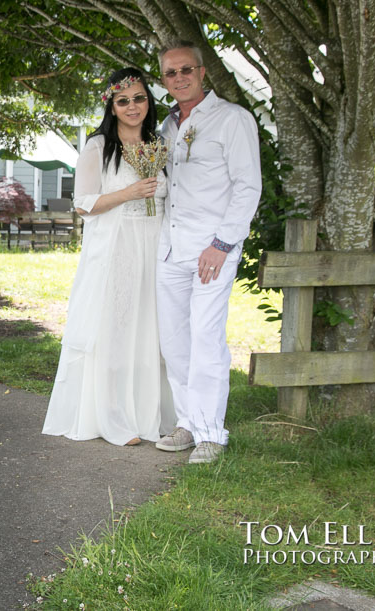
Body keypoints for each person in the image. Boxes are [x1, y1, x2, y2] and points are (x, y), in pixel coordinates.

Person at [43, 68, 176, 446]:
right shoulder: (98, 147)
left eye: (139, 98)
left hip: (155, 246)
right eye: (123, 100)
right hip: (116, 247)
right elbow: (84, 204)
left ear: (148, 101)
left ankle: (152, 413)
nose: (132, 106)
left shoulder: (158, 144)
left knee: (152, 331)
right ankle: (114, 418)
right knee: (116, 331)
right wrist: (130, 192)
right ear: (112, 107)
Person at [154, 41, 262, 464]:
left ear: (202, 73)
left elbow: (248, 186)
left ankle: (212, 432)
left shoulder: (232, 119)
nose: (179, 78)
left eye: (186, 70)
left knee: (206, 338)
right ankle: (188, 422)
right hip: (170, 249)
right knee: (174, 342)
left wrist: (221, 244)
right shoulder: (165, 127)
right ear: (163, 80)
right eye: (170, 73)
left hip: (212, 249)